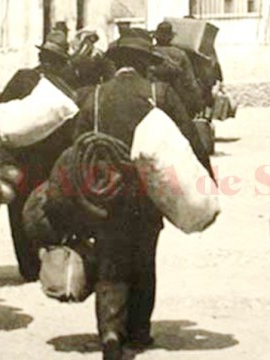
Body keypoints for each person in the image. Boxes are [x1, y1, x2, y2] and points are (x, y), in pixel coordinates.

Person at [68, 28, 213, 359]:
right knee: (144, 258)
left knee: (109, 259)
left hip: (103, 192)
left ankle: (109, 331)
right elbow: (189, 141)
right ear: (146, 62)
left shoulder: (94, 97)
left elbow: (76, 146)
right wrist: (206, 179)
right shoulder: (159, 93)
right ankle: (138, 331)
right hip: (148, 193)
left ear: (115, 62)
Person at [0, 30, 79, 281]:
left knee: (19, 208)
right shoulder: (65, 87)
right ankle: (53, 262)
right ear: (62, 60)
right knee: (53, 208)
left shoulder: (23, 77)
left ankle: (27, 266)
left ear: (41, 56)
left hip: (21, 159)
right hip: (51, 160)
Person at [151, 21, 204, 118]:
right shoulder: (180, 54)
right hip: (177, 97)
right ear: (171, 37)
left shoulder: (149, 53)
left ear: (156, 37)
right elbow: (189, 81)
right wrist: (198, 102)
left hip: (154, 97)